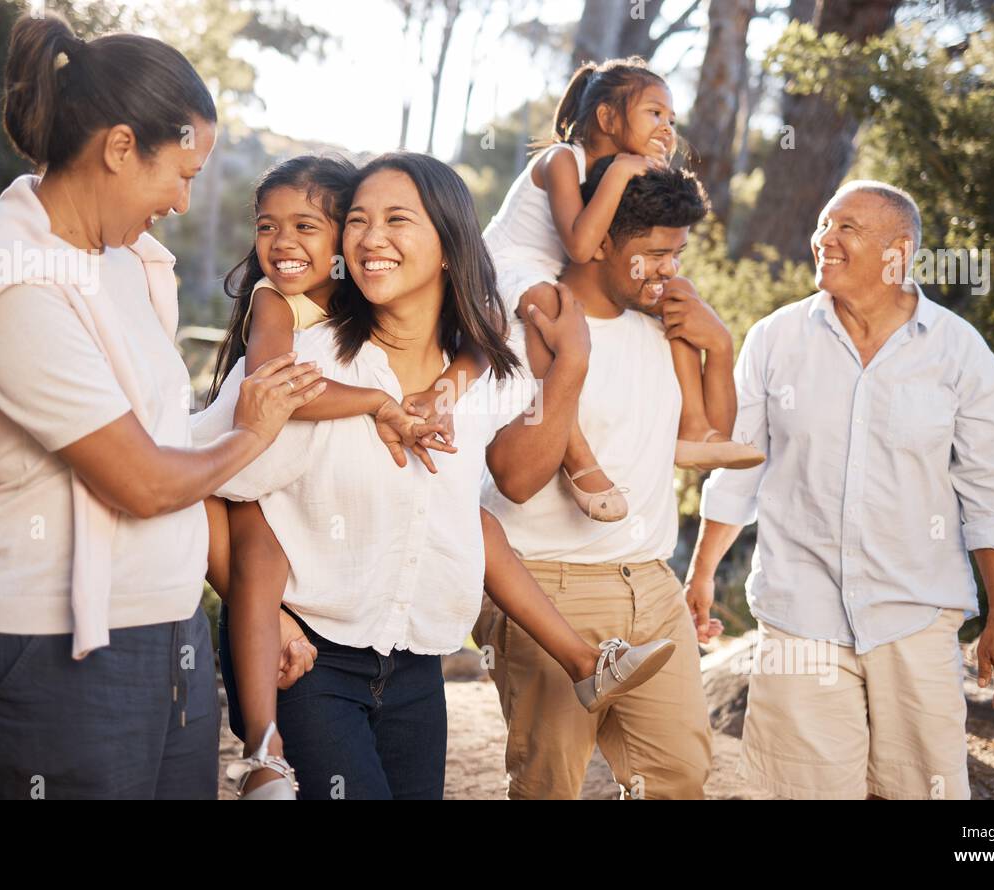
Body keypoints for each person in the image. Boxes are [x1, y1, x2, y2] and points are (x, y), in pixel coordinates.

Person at [0, 12, 325, 799]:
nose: (181, 200)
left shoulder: (122, 260)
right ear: (116, 148)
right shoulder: (14, 283)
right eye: (179, 172)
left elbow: (172, 446)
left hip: (163, 638)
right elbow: (141, 482)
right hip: (45, 657)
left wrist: (245, 594)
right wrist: (252, 431)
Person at [194, 154, 673, 799]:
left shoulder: (482, 373)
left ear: (449, 246)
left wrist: (571, 368)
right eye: (358, 220)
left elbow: (519, 480)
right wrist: (268, 612)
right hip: (314, 660)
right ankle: (262, 756)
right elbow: (197, 482)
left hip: (418, 665)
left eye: (397, 219)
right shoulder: (306, 364)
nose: (370, 237)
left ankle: (586, 662)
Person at [687, 181, 994, 799]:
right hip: (801, 611)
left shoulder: (959, 353)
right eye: (822, 224)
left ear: (899, 252)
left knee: (923, 790)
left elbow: (987, 491)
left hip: (916, 612)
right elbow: (738, 467)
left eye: (847, 228)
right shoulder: (774, 339)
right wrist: (703, 573)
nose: (825, 239)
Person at [477, 156, 729, 800]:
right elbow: (513, 477)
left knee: (678, 778)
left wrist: (718, 346)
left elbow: (708, 444)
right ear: (600, 244)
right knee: (549, 787)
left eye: (677, 252)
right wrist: (571, 366)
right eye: (653, 253)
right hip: (548, 582)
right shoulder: (528, 322)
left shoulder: (661, 324)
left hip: (650, 579)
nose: (669, 269)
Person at [480, 56, 762, 521]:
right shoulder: (562, 160)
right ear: (608, 118)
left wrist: (722, 346)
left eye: (672, 119)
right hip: (508, 267)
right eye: (654, 114)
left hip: (550, 269)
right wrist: (621, 171)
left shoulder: (615, 174)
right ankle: (578, 459)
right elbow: (581, 245)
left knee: (678, 294)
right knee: (551, 317)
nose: (668, 127)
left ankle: (695, 427)